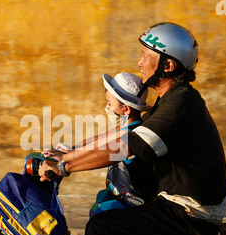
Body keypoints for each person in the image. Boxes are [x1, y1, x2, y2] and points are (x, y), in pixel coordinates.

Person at [39, 22, 226, 235]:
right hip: (179, 204)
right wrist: (67, 154)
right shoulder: (172, 99)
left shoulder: (180, 105)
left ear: (168, 65)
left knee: (101, 230)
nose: (139, 62)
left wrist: (66, 167)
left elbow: (127, 146)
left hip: (189, 213)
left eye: (146, 56)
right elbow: (120, 137)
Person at [43, 72, 149, 217]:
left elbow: (100, 149)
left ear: (126, 109)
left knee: (101, 217)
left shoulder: (133, 133)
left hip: (130, 203)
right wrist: (72, 149)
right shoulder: (123, 128)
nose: (107, 108)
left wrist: (66, 159)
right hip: (115, 194)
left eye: (109, 104)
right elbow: (95, 141)